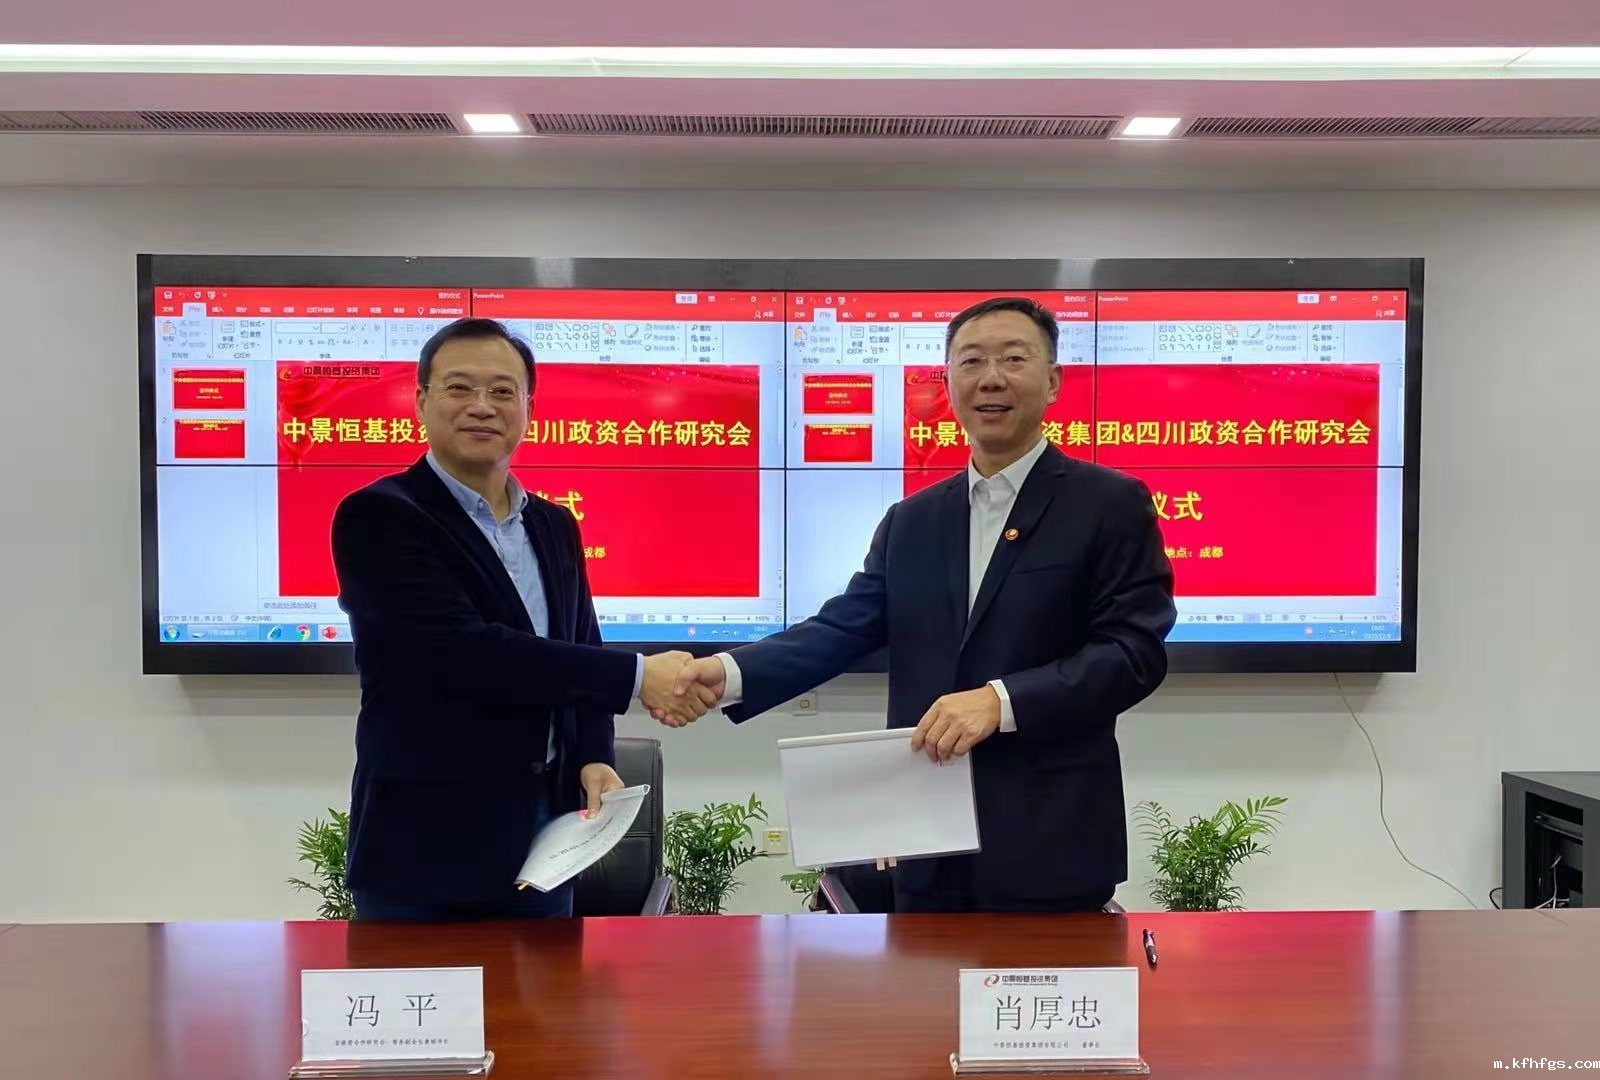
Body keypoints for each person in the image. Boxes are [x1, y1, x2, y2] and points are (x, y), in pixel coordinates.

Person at [666, 297, 1176, 914]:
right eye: (972, 361)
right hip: (923, 839)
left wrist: (1000, 701)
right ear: (949, 382)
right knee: (918, 980)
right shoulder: (912, 519)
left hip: (1050, 838)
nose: (991, 378)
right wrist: (727, 673)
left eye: (1014, 359)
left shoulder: (1110, 504)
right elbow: (843, 627)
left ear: (1053, 382)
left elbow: (1132, 653)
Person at [332, 317, 712, 921]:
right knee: (424, 989)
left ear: (529, 409)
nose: (482, 406)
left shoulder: (554, 525)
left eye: (502, 391)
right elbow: (463, 653)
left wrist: (592, 755)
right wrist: (641, 677)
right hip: (426, 850)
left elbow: (580, 643)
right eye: (459, 388)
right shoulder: (379, 517)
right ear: (421, 402)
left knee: (549, 988)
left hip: (546, 842)